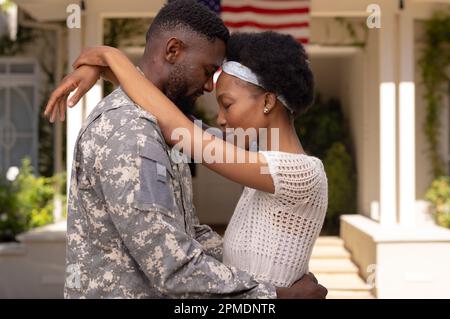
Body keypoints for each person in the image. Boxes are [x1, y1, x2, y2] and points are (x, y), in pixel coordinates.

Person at [46, 0, 327, 299]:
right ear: (172, 50)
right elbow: (173, 266)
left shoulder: (167, 130)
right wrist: (278, 295)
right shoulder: (131, 130)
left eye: (226, 103)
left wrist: (109, 62)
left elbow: (187, 232)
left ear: (269, 101)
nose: (209, 88)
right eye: (208, 71)